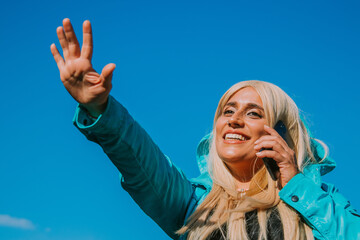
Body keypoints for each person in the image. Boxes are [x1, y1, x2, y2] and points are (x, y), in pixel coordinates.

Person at [51, 19, 360, 240]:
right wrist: (100, 108)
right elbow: (138, 157)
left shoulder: (318, 202)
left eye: (253, 113)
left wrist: (296, 184)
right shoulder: (192, 203)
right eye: (227, 111)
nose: (234, 120)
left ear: (280, 132)